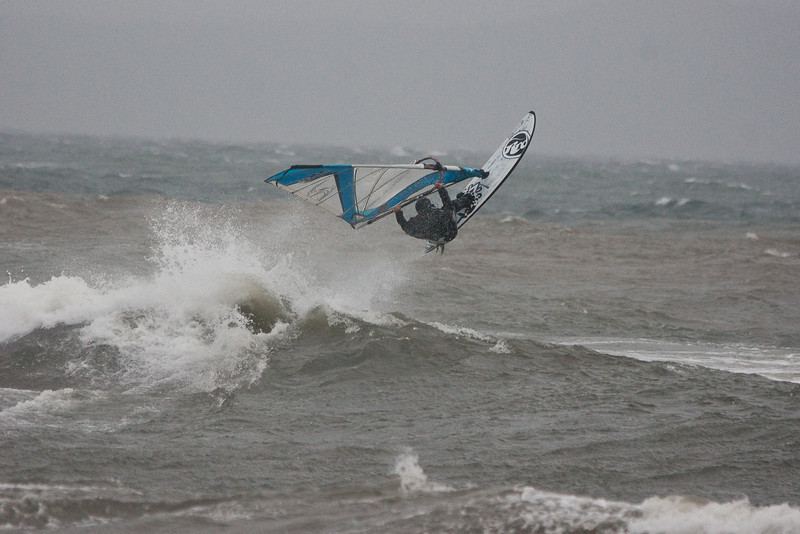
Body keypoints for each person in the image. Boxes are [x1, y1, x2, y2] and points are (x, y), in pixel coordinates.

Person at [394, 182, 474, 249]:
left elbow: (406, 228)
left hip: (437, 239)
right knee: (451, 206)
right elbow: (448, 203)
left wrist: (398, 213)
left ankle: (435, 238)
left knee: (446, 211)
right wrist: (441, 189)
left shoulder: (417, 222)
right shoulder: (438, 214)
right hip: (451, 233)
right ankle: (469, 199)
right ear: (429, 205)